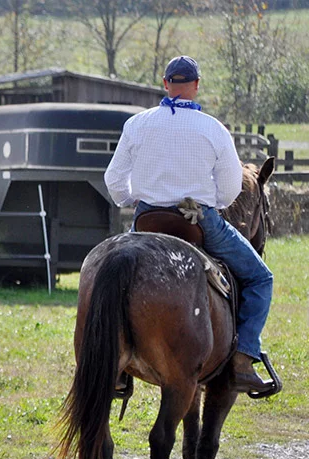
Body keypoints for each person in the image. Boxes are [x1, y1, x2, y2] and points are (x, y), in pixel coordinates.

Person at [103, 55, 274, 394]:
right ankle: (242, 360)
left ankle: (117, 363)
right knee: (260, 278)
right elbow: (229, 192)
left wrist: (134, 198)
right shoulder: (213, 128)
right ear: (196, 86)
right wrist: (209, 201)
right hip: (198, 222)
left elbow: (114, 181)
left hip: (148, 220)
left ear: (166, 84)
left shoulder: (138, 124)